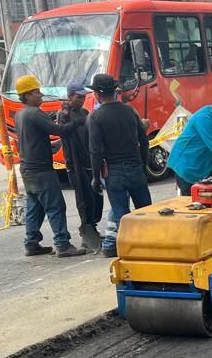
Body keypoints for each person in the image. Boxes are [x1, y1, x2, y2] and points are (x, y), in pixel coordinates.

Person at [13, 74, 86, 258]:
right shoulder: (34, 113)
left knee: (34, 207)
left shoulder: (20, 114)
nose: (41, 95)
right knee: (55, 206)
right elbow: (58, 130)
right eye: (37, 92)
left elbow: (33, 139)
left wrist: (51, 147)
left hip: (27, 169)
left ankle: (31, 243)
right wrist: (76, 122)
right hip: (41, 171)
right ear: (27, 95)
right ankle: (63, 244)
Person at [86, 73, 152, 258]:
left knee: (122, 213)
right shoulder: (130, 112)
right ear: (114, 91)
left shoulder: (95, 117)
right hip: (135, 166)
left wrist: (95, 177)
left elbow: (95, 150)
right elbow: (143, 139)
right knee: (145, 211)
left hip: (113, 171)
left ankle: (128, 250)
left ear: (98, 94)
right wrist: (143, 163)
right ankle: (149, 246)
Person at [57, 82, 104, 253]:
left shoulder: (84, 113)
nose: (82, 100)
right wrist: (76, 123)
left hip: (88, 161)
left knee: (96, 197)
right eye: (78, 97)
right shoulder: (64, 115)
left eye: (83, 97)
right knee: (84, 199)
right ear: (69, 97)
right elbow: (63, 132)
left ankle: (93, 227)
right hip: (75, 165)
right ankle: (86, 231)